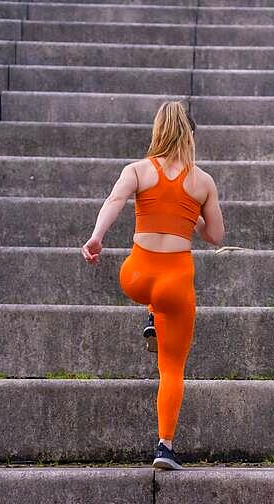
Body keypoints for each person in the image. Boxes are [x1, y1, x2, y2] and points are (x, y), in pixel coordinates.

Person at [81, 100, 224, 470]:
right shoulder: (202, 181)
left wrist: (97, 238)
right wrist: (192, 219)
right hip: (175, 281)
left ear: (157, 131)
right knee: (172, 368)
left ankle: (151, 317)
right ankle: (165, 447)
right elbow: (217, 236)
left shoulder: (138, 170)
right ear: (190, 136)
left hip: (136, 276)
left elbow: (113, 201)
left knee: (150, 296)